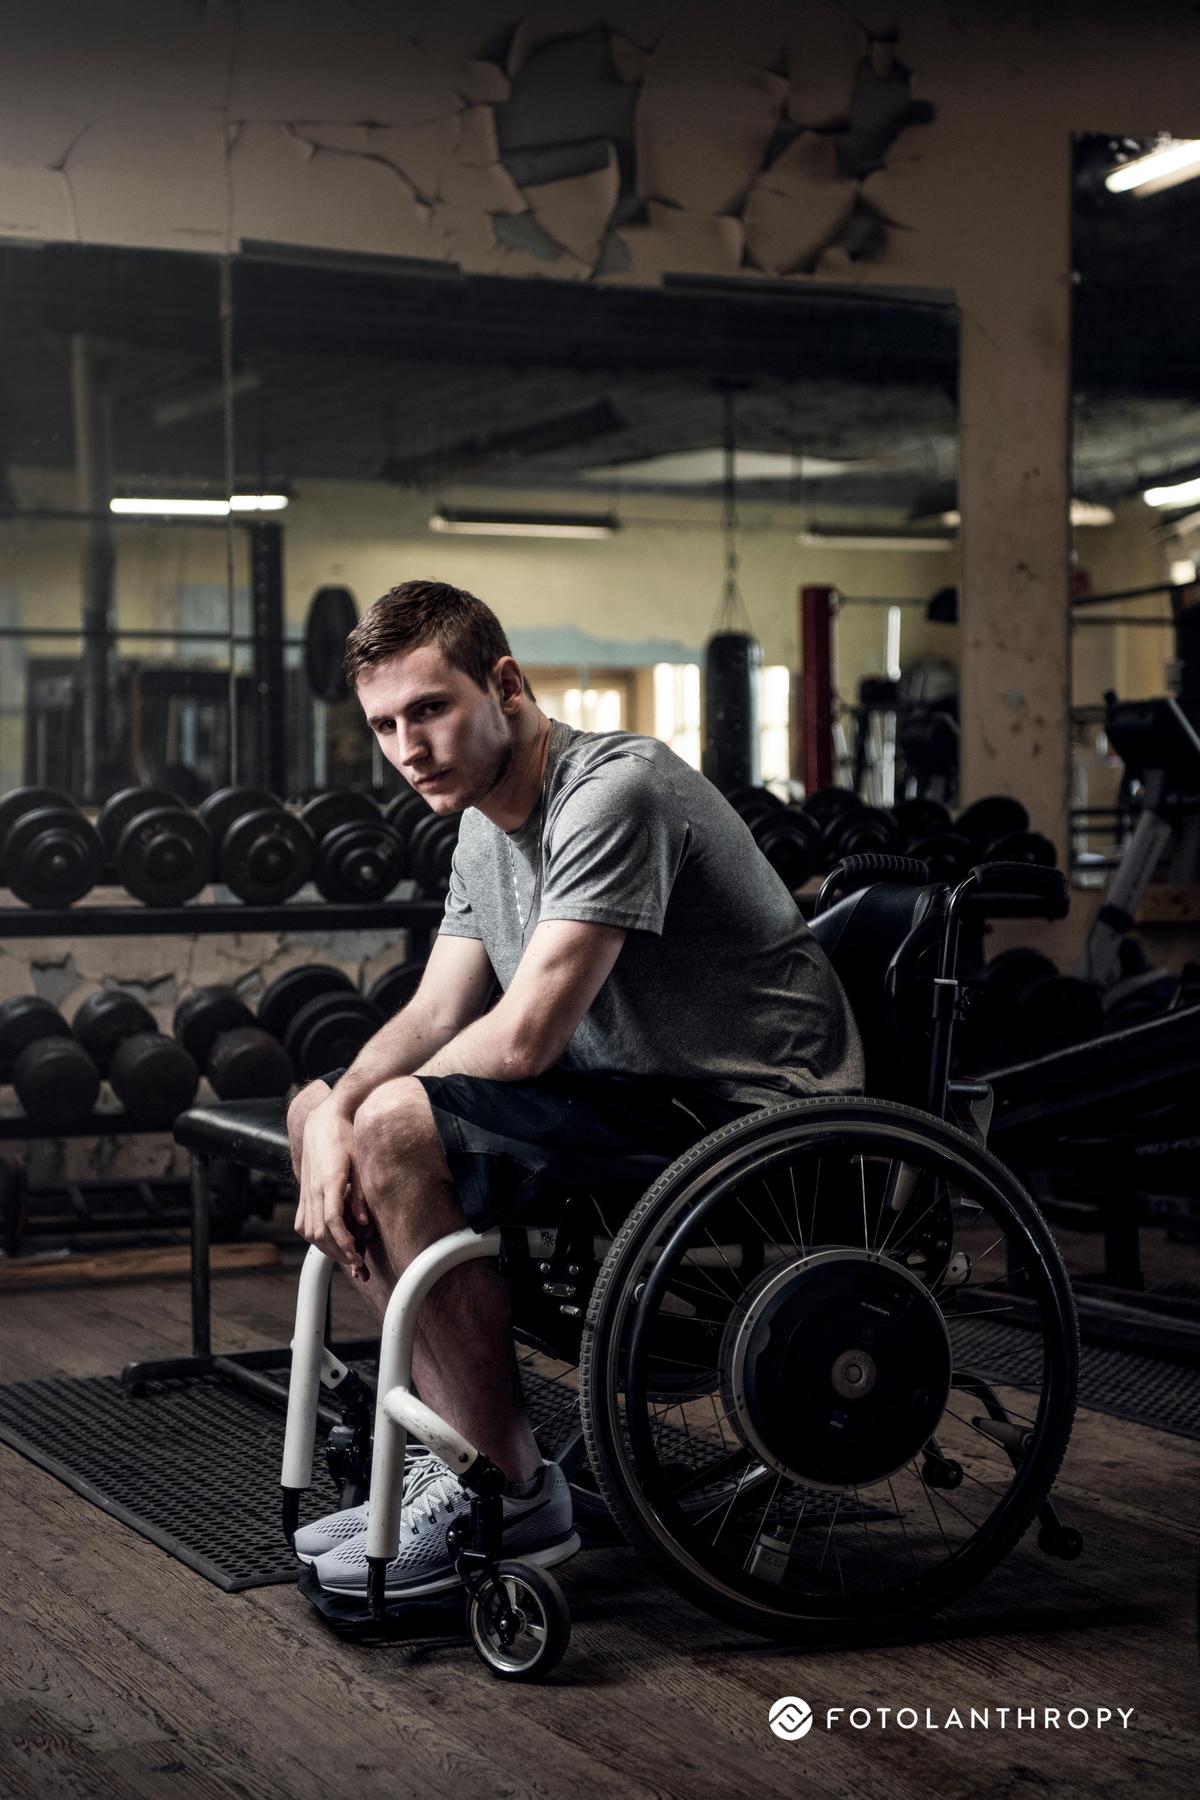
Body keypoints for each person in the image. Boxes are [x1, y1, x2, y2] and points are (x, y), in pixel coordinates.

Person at [287, 579, 864, 1600]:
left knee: (386, 1124)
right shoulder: (477, 820)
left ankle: (506, 1493)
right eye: (385, 724)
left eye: (430, 709)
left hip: (749, 1124)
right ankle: (469, 1460)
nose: (408, 747)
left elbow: (518, 1041)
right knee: (319, 1106)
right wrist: (329, 1109)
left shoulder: (613, 791)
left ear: (505, 684)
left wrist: (364, 1117)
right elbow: (435, 1015)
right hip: (632, 1099)